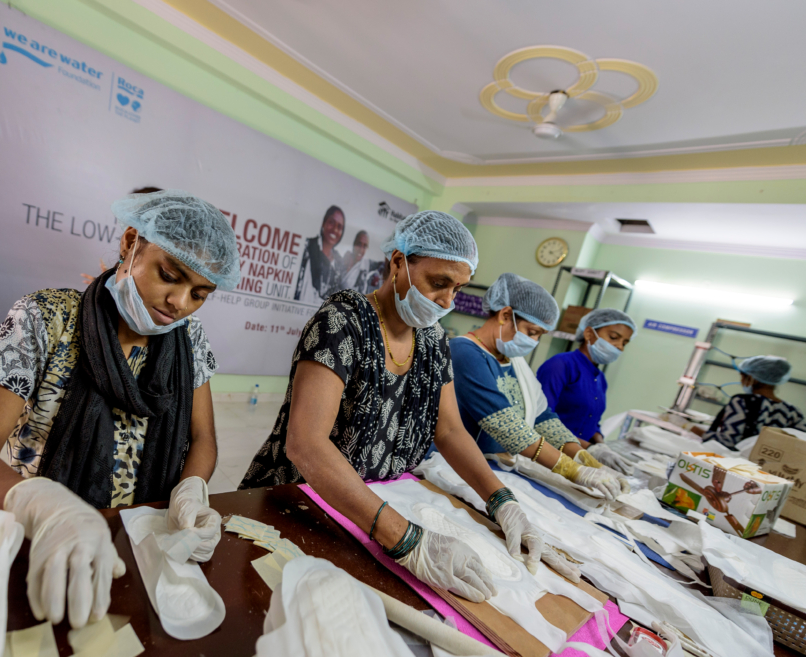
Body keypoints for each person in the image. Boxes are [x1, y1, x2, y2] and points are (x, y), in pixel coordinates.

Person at [241, 211, 581, 602]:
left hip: (372, 505)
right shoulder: (343, 322)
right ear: (399, 262)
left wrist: (501, 500)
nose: (447, 300)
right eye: (439, 283)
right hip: (301, 499)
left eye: (457, 288)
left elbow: (450, 430)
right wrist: (404, 539)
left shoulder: (433, 340)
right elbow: (306, 444)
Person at [0, 190, 238, 628]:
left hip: (145, 541)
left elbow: (202, 437)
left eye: (200, 293)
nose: (179, 303)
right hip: (46, 538)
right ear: (130, 242)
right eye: (169, 275)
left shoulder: (189, 341)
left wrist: (191, 489)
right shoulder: (44, 320)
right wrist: (47, 509)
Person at [450, 276, 626, 500]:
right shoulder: (465, 352)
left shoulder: (513, 360)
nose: (533, 341)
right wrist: (573, 470)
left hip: (493, 466)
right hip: (456, 467)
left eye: (539, 336)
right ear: (505, 315)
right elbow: (506, 425)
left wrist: (583, 456)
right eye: (532, 332)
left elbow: (543, 415)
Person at [537, 308, 637, 474]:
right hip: (549, 455)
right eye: (614, 337)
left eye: (625, 343)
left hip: (578, 459)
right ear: (589, 333)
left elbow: (592, 422)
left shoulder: (600, 379)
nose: (619, 346)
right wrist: (590, 449)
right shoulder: (560, 365)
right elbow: (540, 419)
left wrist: (601, 446)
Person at [700, 355, 806, 449]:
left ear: (751, 378)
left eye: (742, 377)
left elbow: (727, 441)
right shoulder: (793, 411)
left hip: (736, 464)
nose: (741, 381)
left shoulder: (742, 402)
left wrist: (690, 428)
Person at [293, 205, 345, 304]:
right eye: (331, 222)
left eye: (339, 227)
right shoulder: (307, 247)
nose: (335, 229)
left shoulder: (339, 264)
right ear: (323, 223)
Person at [339, 230, 383, 294]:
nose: (361, 249)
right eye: (359, 244)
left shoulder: (366, 264)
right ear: (354, 244)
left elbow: (383, 265)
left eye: (364, 246)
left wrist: (377, 274)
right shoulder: (343, 260)